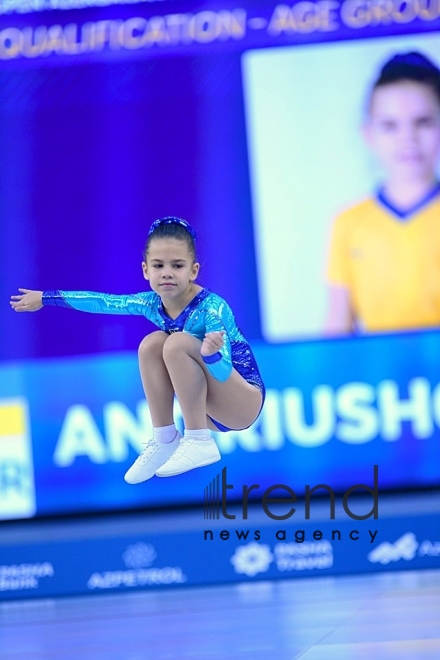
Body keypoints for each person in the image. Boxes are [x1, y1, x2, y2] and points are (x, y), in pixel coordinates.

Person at [10, 216, 265, 484]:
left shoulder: (212, 309)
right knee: (152, 344)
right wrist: (46, 298)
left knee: (176, 343)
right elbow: (104, 302)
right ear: (145, 270)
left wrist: (212, 355)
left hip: (242, 400)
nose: (167, 272)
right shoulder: (151, 304)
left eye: (177, 265)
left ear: (194, 270)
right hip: (209, 409)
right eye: (159, 265)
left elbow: (224, 374)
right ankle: (165, 437)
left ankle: (198, 440)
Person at [326, 51, 440, 335]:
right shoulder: (349, 224)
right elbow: (337, 332)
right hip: (384, 378)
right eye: (390, 125)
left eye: (423, 122)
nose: (408, 138)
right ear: (369, 134)